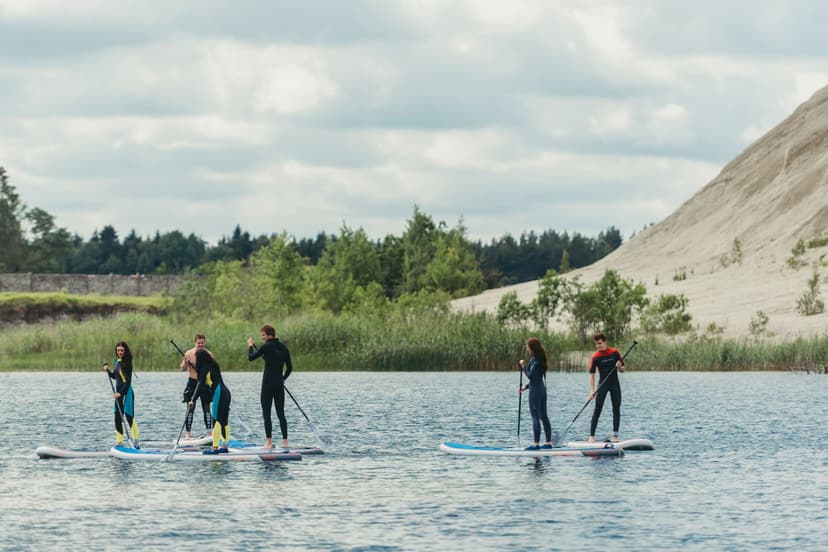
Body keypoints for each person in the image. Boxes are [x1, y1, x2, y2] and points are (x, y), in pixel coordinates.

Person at [247, 324, 292, 449]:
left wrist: (250, 346)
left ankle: (269, 442)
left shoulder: (266, 346)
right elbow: (290, 368)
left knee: (266, 413)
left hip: (267, 385)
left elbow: (250, 358)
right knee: (280, 413)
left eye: (263, 335)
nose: (262, 338)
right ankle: (285, 442)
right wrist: (283, 379)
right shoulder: (284, 348)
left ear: (269, 335)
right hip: (279, 385)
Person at [587, 332, 624, 443]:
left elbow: (622, 370)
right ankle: (592, 436)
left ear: (605, 342)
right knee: (597, 409)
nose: (598, 346)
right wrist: (592, 391)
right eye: (596, 344)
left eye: (600, 343)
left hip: (614, 384)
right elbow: (592, 376)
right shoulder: (595, 357)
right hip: (602, 385)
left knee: (616, 409)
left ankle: (615, 436)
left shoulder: (615, 353)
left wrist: (619, 367)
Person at [193, 349, 231, 454]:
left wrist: (193, 399)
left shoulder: (205, 368)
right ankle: (224, 446)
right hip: (225, 392)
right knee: (224, 421)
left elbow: (200, 384)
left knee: (216, 420)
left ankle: (214, 448)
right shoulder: (213, 366)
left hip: (219, 393)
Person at [519, 337, 553, 450]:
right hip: (542, 390)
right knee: (544, 416)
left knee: (535, 416)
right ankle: (548, 443)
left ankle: (536, 445)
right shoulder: (539, 358)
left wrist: (523, 367)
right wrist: (525, 387)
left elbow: (531, 376)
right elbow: (536, 379)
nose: (526, 349)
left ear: (532, 348)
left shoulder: (536, 360)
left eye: (527, 347)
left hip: (536, 392)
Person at [103, 341, 140, 448]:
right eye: (118, 350)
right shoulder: (116, 362)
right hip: (118, 394)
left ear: (125, 351)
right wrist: (108, 371)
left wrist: (120, 393)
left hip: (126, 392)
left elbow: (127, 382)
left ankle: (136, 441)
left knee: (129, 416)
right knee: (117, 418)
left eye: (122, 350)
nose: (120, 352)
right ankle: (120, 443)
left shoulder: (127, 363)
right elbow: (115, 377)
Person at [178, 334, 214, 440]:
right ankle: (188, 434)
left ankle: (209, 433)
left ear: (205, 342)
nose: (200, 345)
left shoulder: (209, 354)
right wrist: (185, 362)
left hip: (204, 383)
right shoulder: (189, 353)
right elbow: (182, 369)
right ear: (195, 342)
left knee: (206, 407)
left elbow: (214, 370)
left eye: (202, 343)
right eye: (198, 343)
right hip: (192, 382)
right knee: (190, 408)